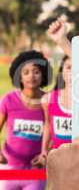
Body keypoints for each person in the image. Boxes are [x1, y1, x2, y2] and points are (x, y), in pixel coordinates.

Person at [0, 50, 53, 190]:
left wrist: (45, 154)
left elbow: (52, 131)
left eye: (36, 71)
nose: (31, 76)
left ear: (43, 74)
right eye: (26, 72)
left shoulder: (49, 101)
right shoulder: (8, 100)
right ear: (19, 76)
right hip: (9, 168)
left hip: (35, 170)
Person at [39, 19, 73, 161]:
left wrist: (62, 39)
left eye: (75, 67)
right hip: (56, 160)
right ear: (62, 71)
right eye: (68, 67)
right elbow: (48, 124)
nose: (72, 71)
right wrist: (43, 150)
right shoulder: (48, 99)